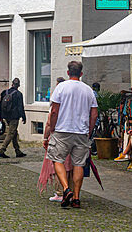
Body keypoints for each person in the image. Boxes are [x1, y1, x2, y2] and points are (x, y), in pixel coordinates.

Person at [42, 61, 97, 209]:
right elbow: (94, 114)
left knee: (57, 160)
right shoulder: (88, 90)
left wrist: (52, 128)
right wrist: (89, 131)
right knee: (78, 164)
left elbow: (54, 111)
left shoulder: (61, 87)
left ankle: (66, 189)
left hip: (62, 130)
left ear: (68, 73)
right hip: (81, 131)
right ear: (81, 73)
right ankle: (77, 198)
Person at [0, 77, 27, 159]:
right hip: (14, 116)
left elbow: (0, 106)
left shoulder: (4, 92)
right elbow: (21, 107)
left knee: (14, 133)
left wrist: (0, 117)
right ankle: (2, 150)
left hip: (6, 116)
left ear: (12, 84)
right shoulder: (18, 94)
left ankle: (18, 151)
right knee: (11, 133)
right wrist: (24, 117)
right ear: (19, 85)